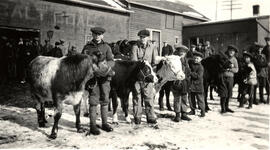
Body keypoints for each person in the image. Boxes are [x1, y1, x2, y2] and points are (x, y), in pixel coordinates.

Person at [82, 27, 115, 135]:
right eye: (95, 34)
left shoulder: (106, 47)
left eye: (99, 34)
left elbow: (111, 61)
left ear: (102, 36)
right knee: (93, 101)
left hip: (105, 78)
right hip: (93, 79)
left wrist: (105, 68)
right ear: (92, 35)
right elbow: (83, 61)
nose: (96, 36)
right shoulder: (87, 47)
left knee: (105, 99)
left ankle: (105, 123)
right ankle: (92, 126)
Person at [130, 29, 158, 124]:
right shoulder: (135, 47)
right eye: (141, 37)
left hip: (148, 77)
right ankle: (137, 117)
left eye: (144, 37)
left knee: (148, 97)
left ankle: (150, 116)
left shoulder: (153, 47)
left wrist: (151, 72)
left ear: (148, 38)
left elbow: (155, 62)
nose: (142, 39)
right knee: (136, 97)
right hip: (137, 76)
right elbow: (133, 62)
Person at [171, 45, 192, 122]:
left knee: (184, 98)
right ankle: (177, 114)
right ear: (178, 52)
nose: (182, 54)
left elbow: (188, 71)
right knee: (177, 98)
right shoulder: (174, 60)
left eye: (183, 52)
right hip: (176, 81)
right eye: (181, 52)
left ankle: (184, 114)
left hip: (185, 82)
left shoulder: (186, 61)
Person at [218, 45, 239, 113]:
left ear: (234, 53)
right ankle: (223, 108)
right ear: (228, 51)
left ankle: (227, 107)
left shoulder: (234, 60)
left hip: (230, 78)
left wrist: (230, 69)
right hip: (223, 77)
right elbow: (219, 66)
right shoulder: (224, 57)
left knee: (229, 93)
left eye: (232, 51)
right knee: (223, 93)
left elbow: (236, 69)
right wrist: (224, 68)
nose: (231, 52)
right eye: (230, 51)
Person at [188, 51, 205, 117]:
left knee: (200, 99)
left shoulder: (201, 67)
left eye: (197, 58)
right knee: (191, 99)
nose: (195, 59)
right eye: (194, 58)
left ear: (201, 59)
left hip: (198, 86)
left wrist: (190, 73)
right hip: (191, 85)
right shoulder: (192, 64)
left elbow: (198, 76)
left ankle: (202, 111)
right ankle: (192, 110)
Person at [158, 41, 174, 111]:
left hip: (168, 80)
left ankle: (168, 105)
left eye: (167, 56)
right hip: (162, 79)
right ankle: (161, 105)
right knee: (161, 92)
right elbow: (158, 72)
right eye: (164, 56)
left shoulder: (170, 63)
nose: (165, 57)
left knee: (167, 93)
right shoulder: (160, 63)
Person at [262, 35, 270, 104]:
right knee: (267, 80)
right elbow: (263, 57)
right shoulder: (264, 48)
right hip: (267, 67)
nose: (268, 42)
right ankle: (268, 95)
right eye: (267, 41)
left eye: (269, 41)